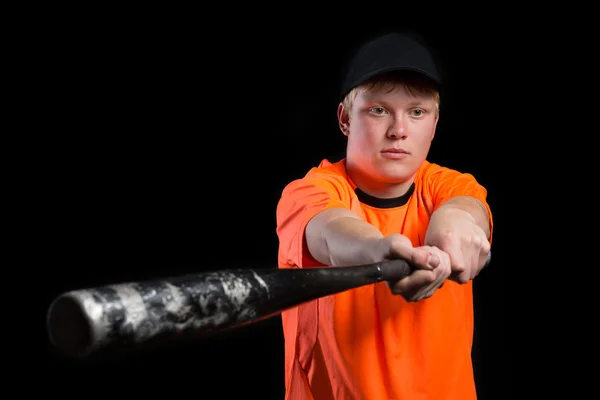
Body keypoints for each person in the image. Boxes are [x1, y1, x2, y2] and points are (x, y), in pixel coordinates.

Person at [275, 31, 494, 400]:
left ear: (434, 124)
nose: (399, 131)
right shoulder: (311, 191)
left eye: (417, 112)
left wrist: (454, 234)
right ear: (345, 119)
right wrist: (382, 250)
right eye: (378, 110)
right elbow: (331, 232)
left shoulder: (452, 186)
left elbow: (464, 210)